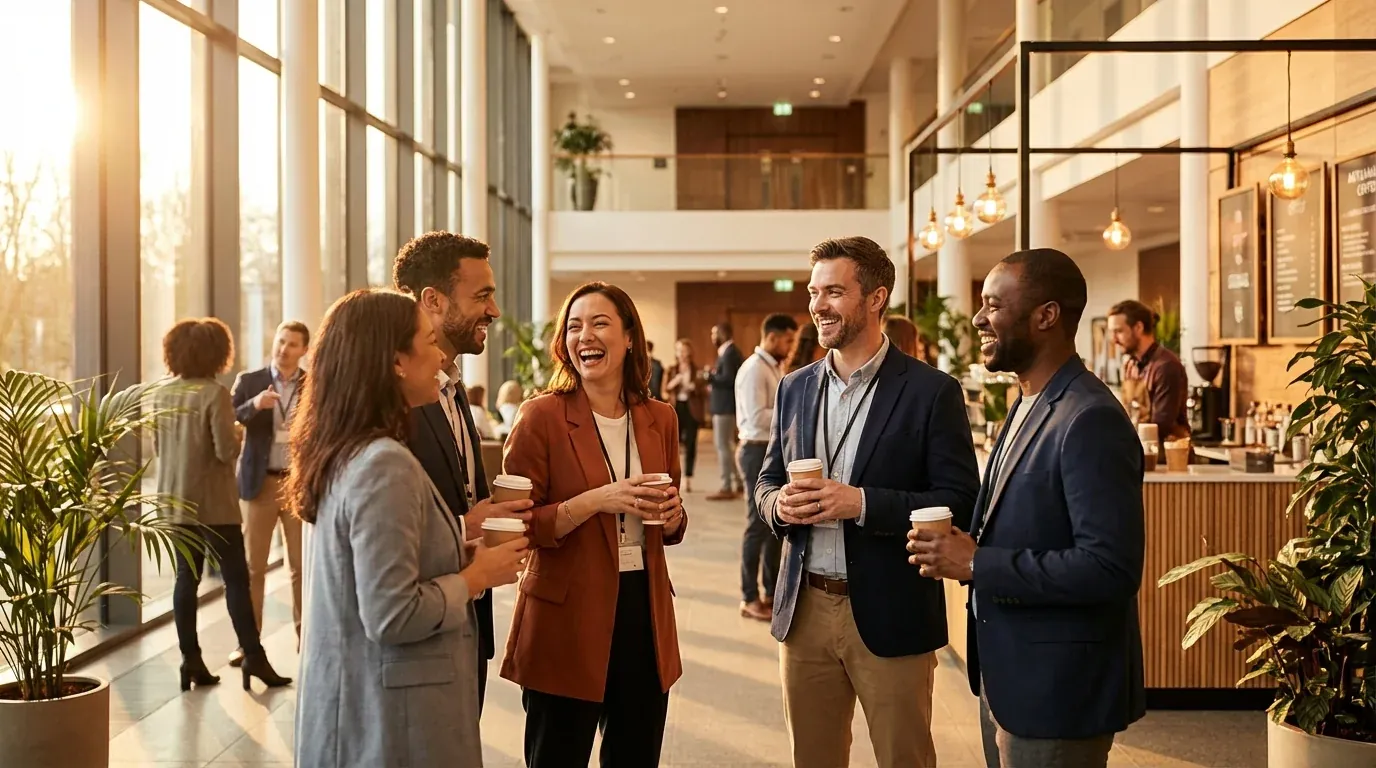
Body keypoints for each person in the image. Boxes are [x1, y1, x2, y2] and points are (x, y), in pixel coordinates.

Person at [908, 248, 1146, 768]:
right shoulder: (1025, 404)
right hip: (1008, 676)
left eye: (993, 304)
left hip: (1057, 689)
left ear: (1046, 315)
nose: (978, 318)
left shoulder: (1090, 419)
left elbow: (1111, 568)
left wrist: (976, 562)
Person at [754, 237, 980, 768]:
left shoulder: (931, 391)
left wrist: (859, 503)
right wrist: (778, 507)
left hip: (890, 607)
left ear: (876, 298)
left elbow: (959, 501)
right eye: (814, 291)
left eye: (834, 291)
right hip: (804, 608)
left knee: (904, 758)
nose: (818, 305)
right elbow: (765, 482)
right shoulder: (795, 387)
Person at [290, 289, 529, 767]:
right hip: (393, 723)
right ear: (396, 360)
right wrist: (476, 577)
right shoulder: (383, 465)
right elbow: (392, 614)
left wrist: (458, 555)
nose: (440, 354)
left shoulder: (343, 451)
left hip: (357, 710)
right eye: (427, 340)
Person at [503, 281, 688, 767]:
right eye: (574, 326)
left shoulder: (660, 418)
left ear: (630, 337)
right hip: (566, 614)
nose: (585, 334)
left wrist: (672, 516)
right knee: (557, 756)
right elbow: (514, 524)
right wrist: (593, 501)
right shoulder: (541, 416)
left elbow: (673, 510)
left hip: (642, 611)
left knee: (635, 754)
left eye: (600, 323)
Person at [392, 231, 533, 711]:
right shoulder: (393, 402)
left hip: (465, 629)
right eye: (482, 296)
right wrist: (465, 526)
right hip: (416, 643)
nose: (494, 311)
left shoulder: (452, 390)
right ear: (433, 300)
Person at [153, 318, 291, 693]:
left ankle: (190, 660)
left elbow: (158, 451)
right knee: (236, 579)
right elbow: (225, 450)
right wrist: (240, 432)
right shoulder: (213, 394)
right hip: (214, 505)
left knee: (186, 580)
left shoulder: (162, 395)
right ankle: (253, 656)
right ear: (217, 353)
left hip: (174, 503)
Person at [228, 320, 310, 669]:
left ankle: (306, 639)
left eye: (292, 344)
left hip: (295, 484)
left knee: (299, 567)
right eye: (280, 341)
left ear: (303, 350)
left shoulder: (311, 385)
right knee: (253, 567)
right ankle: (249, 644)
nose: (283, 349)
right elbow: (229, 416)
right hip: (260, 483)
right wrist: (254, 405)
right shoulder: (250, 381)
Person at [735, 312, 799, 622]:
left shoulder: (773, 367)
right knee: (756, 526)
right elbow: (755, 416)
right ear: (771, 337)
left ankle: (771, 591)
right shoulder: (753, 370)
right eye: (787, 340)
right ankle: (748, 596)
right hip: (755, 450)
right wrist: (793, 411)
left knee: (775, 523)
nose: (790, 346)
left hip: (770, 449)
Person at [1110, 299, 1189, 450]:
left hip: (1167, 459)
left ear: (1138, 327)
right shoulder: (1131, 365)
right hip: (1140, 453)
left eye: (1119, 331)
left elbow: (1160, 426)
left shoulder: (1166, 366)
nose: (1114, 340)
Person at [705, 323, 745, 500]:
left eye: (714, 333)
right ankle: (738, 481)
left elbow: (729, 379)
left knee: (723, 446)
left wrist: (710, 377)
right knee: (727, 445)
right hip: (724, 405)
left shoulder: (729, 353)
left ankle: (726, 485)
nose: (712, 336)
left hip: (724, 406)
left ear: (723, 333)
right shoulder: (728, 352)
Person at [663, 338, 707, 494]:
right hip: (676, 408)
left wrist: (693, 388)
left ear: (689, 352)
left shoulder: (696, 370)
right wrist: (674, 383)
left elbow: (704, 392)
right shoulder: (672, 369)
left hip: (691, 409)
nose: (682, 354)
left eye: (684, 350)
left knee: (691, 444)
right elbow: (665, 390)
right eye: (679, 350)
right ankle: (672, 477)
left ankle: (688, 477)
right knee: (673, 445)